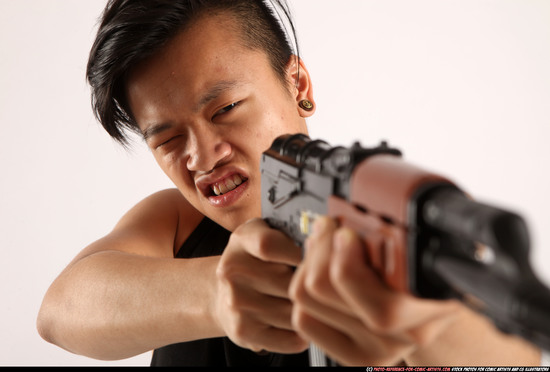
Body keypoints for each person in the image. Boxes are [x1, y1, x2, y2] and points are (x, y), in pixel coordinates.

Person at [36, 0, 542, 366]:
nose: (202, 156)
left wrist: (426, 322)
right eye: (166, 139)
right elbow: (60, 311)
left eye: (226, 109)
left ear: (298, 84)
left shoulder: (391, 217)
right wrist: (217, 293)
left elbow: (509, 353)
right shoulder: (176, 221)